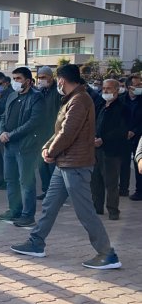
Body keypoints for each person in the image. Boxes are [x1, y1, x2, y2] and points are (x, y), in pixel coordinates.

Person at [10, 64, 121, 270]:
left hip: (76, 165)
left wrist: (50, 151)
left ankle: (107, 254)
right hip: (65, 164)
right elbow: (60, 129)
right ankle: (36, 242)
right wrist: (47, 147)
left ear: (61, 80)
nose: (57, 83)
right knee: (50, 205)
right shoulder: (73, 99)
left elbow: (68, 132)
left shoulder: (80, 100)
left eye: (58, 80)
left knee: (85, 211)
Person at [0, 67, 44, 227]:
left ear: (28, 81)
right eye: (14, 78)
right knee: (11, 179)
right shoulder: (12, 96)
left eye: (18, 79)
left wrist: (11, 134)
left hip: (26, 146)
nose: (15, 82)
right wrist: (2, 131)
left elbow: (34, 122)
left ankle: (27, 215)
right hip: (9, 145)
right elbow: (3, 116)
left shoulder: (36, 97)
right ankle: (14, 210)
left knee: (26, 181)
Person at [91, 79, 127, 220]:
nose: (105, 91)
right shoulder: (100, 104)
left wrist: (103, 139)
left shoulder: (122, 108)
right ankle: (97, 207)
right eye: (104, 88)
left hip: (111, 150)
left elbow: (121, 130)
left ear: (117, 90)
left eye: (109, 88)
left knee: (111, 182)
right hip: (95, 149)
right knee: (95, 181)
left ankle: (113, 210)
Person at [35, 66, 62, 200]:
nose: (41, 80)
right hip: (41, 134)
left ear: (51, 77)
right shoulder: (40, 92)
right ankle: (46, 190)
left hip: (53, 133)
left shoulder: (58, 92)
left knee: (52, 165)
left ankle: (55, 193)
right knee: (42, 166)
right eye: (39, 78)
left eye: (43, 77)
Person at [121, 74, 142, 200]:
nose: (140, 87)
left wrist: (134, 131)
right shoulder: (121, 99)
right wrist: (124, 131)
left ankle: (140, 191)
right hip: (123, 136)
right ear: (129, 87)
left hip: (139, 136)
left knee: (138, 163)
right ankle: (123, 188)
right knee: (123, 163)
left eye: (140, 84)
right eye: (137, 85)